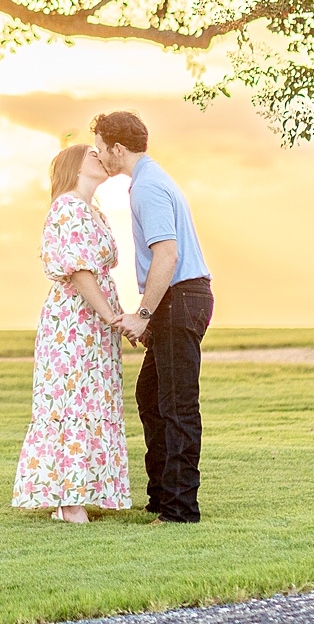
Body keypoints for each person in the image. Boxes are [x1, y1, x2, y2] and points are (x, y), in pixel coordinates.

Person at [94, 110, 212, 523]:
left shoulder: (147, 187)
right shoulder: (151, 179)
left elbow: (167, 255)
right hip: (176, 300)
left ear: (118, 149)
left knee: (177, 404)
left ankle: (180, 509)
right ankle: (162, 495)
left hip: (181, 297)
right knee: (151, 396)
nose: (99, 156)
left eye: (100, 149)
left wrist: (143, 315)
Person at [11, 142, 131, 522]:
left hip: (95, 320)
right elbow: (79, 272)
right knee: (70, 399)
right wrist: (113, 316)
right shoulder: (67, 208)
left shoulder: (93, 211)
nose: (101, 157)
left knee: (94, 398)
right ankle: (68, 502)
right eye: (92, 155)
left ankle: (84, 491)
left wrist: (111, 317)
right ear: (75, 167)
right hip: (75, 322)